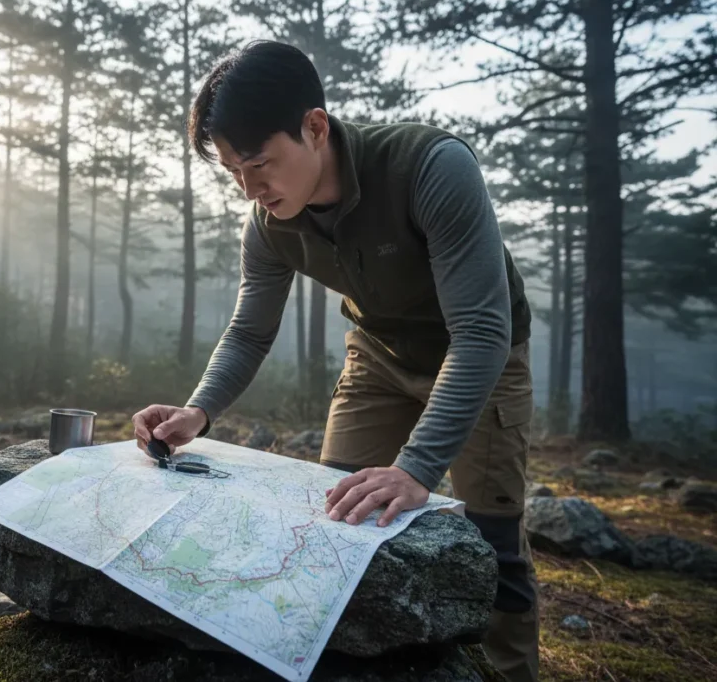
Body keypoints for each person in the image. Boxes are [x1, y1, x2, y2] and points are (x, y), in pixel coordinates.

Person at [130, 39, 538, 682]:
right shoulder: (268, 225)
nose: (249, 190)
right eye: (234, 172)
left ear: (315, 127)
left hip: (483, 359)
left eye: (260, 164)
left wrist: (416, 469)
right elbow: (248, 333)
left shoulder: (430, 168)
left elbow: (483, 331)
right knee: (337, 522)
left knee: (493, 544)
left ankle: (509, 673)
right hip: (377, 356)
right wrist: (197, 410)